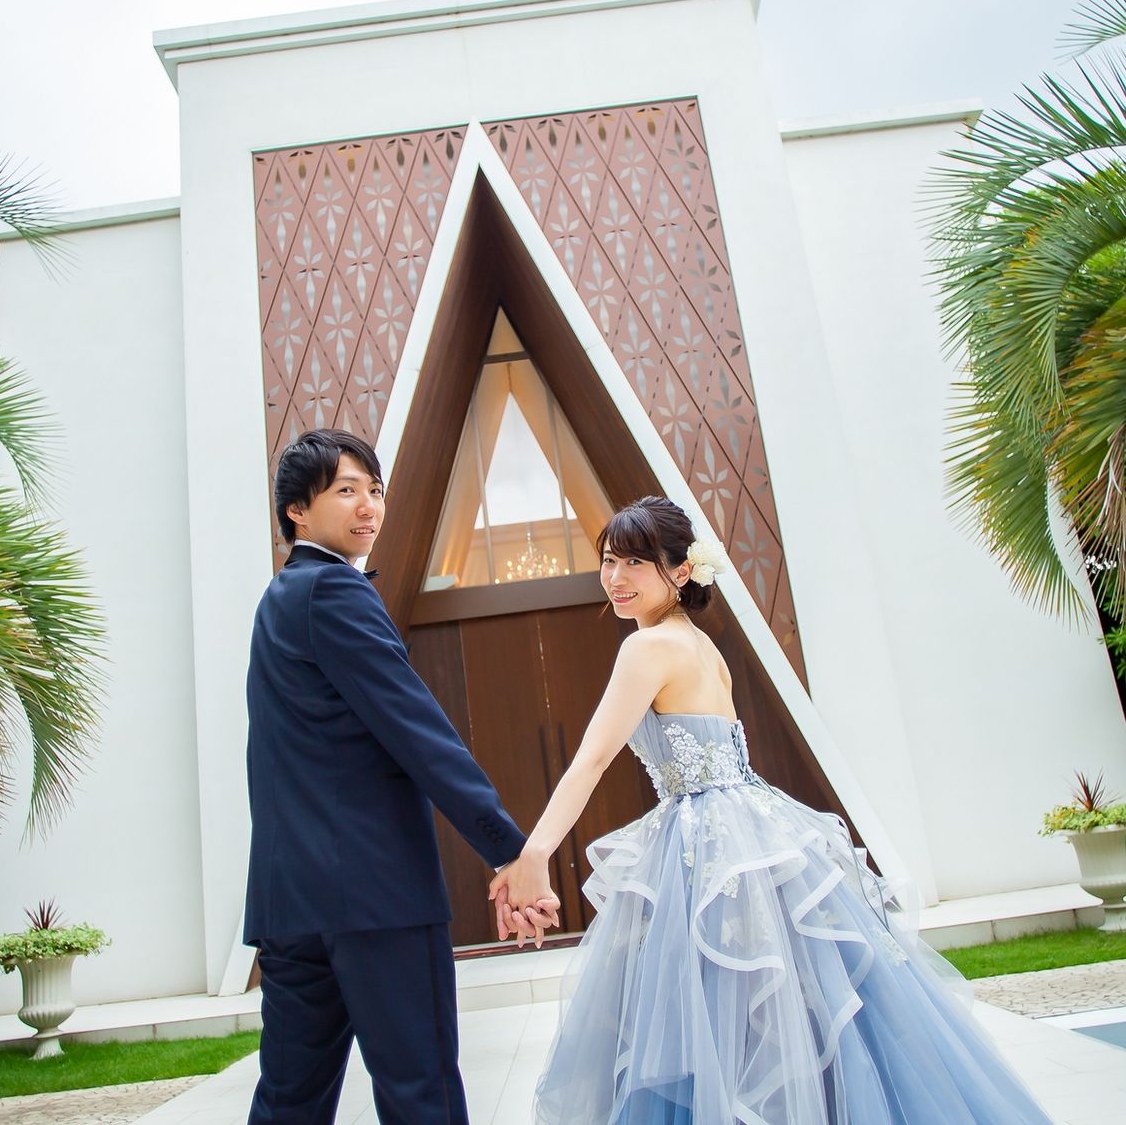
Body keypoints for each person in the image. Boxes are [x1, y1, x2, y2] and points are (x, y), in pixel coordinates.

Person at [492, 496, 1052, 1123]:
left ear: (681, 571)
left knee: (721, 1023)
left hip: (708, 843)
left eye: (635, 563)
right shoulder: (700, 645)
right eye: (608, 561)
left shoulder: (646, 649)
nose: (615, 578)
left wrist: (535, 853)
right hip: (753, 827)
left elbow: (593, 758)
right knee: (793, 1015)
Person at [244, 428, 557, 1125]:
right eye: (346, 491)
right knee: (422, 1093)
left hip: (290, 901)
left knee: (289, 1102)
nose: (369, 507)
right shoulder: (335, 591)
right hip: (376, 894)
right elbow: (419, 735)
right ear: (297, 510)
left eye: (375, 490)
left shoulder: (279, 601)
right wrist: (510, 850)